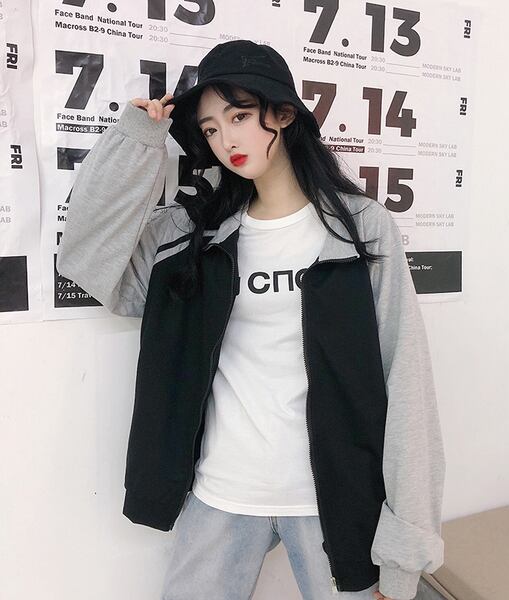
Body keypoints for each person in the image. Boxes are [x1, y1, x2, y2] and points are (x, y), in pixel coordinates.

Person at [56, 40, 445, 600]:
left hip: (337, 502)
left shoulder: (361, 228)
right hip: (223, 491)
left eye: (238, 117)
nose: (227, 141)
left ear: (282, 115)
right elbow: (89, 262)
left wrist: (405, 550)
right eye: (211, 129)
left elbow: (406, 380)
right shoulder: (195, 233)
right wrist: (137, 142)